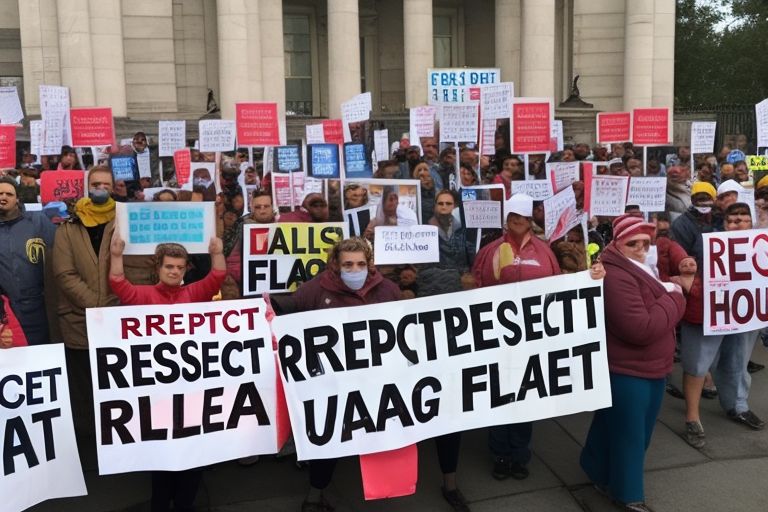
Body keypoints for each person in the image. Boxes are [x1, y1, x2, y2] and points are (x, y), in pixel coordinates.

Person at [473, 193, 604, 481]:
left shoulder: (545, 252)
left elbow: (560, 289)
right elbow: (477, 287)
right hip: (497, 338)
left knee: (525, 397)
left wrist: (590, 277)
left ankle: (520, 455)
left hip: (532, 340)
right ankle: (500, 454)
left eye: (521, 218)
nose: (516, 222)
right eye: (512, 218)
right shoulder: (491, 249)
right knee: (498, 397)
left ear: (530, 221)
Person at [269, 237, 401, 512]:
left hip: (375, 379)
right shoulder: (315, 290)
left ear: (370, 264)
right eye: (348, 265)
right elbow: (286, 312)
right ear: (335, 265)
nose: (355, 270)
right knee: (330, 440)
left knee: (381, 434)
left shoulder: (388, 290)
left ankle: (386, 491)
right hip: (332, 383)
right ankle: (314, 495)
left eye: (361, 264)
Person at [109, 233, 226, 512]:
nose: (174, 271)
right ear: (158, 268)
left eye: (179, 267)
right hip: (158, 396)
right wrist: (115, 256)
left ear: (186, 269)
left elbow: (218, 274)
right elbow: (118, 284)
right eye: (168, 266)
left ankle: (185, 503)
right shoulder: (143, 296)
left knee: (193, 454)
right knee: (161, 457)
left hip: (193, 392)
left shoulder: (195, 293)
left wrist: (216, 252)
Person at [580, 214, 686, 512]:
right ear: (617, 243)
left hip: (647, 365)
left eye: (645, 242)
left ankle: (595, 468)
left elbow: (650, 312)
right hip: (629, 368)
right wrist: (675, 297)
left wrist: (664, 296)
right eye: (633, 243)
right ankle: (628, 494)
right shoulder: (616, 276)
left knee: (613, 424)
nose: (641, 248)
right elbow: (640, 328)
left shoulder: (638, 267)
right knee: (632, 435)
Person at [53, 165, 156, 437]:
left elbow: (138, 268)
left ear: (113, 188)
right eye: (95, 184)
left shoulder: (128, 221)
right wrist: (96, 305)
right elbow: (64, 273)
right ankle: (93, 444)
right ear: (88, 186)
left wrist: (114, 306)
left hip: (119, 320)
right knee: (86, 389)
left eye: (105, 185)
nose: (100, 189)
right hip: (79, 321)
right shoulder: (69, 226)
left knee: (120, 386)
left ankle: (120, 439)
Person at [678, 202, 766, 450]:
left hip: (744, 314)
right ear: (724, 223)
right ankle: (692, 418)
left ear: (751, 222)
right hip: (709, 314)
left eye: (743, 219)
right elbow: (688, 271)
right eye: (732, 220)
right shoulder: (709, 244)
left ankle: (738, 406)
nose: (738, 223)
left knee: (738, 360)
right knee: (698, 364)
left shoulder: (761, 245)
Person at [0, 176, 56, 345]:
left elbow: (59, 254)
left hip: (41, 310)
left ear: (18, 199)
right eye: (0, 193)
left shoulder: (38, 221)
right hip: (7, 313)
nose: (3, 197)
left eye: (9, 194)